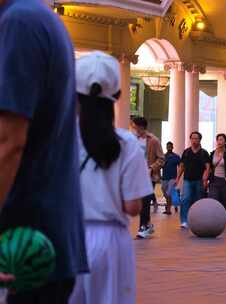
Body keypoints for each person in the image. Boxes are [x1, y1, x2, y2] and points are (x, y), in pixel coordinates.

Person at [0, 0, 88, 301]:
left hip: (25, 243)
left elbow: (8, 142)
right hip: (39, 237)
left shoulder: (19, 23)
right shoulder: (35, 18)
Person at [69, 51, 153, 304]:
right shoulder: (128, 144)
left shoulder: (58, 139)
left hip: (69, 236)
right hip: (111, 242)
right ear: (116, 96)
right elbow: (133, 206)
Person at [130, 116, 164, 239]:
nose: (132, 128)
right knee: (139, 202)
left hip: (149, 176)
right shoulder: (131, 139)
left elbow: (161, 159)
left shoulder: (153, 140)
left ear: (141, 127)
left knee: (145, 202)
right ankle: (148, 224)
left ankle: (142, 227)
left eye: (134, 126)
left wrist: (151, 168)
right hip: (134, 175)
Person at [177, 132, 211, 229]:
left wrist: (205, 179)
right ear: (190, 139)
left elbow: (207, 167)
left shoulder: (204, 153)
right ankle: (184, 221)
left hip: (199, 180)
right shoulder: (186, 152)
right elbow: (182, 166)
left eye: (196, 138)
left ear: (200, 140)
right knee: (185, 199)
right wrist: (177, 178)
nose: (194, 140)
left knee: (198, 200)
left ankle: (197, 220)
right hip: (187, 180)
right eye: (192, 138)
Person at [208, 134, 226, 219]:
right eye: (218, 139)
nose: (219, 141)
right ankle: (214, 217)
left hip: (224, 180)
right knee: (213, 198)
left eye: (221, 139)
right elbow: (210, 167)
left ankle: (224, 216)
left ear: (225, 142)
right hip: (214, 180)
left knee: (225, 199)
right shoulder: (212, 153)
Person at [162, 142, 181, 215]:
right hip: (164, 177)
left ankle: (168, 209)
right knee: (165, 191)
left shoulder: (176, 156)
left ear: (172, 147)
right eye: (168, 146)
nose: (169, 147)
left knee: (169, 192)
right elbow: (160, 166)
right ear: (166, 147)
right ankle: (173, 203)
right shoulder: (163, 156)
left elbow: (180, 166)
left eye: (170, 146)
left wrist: (178, 177)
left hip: (173, 177)